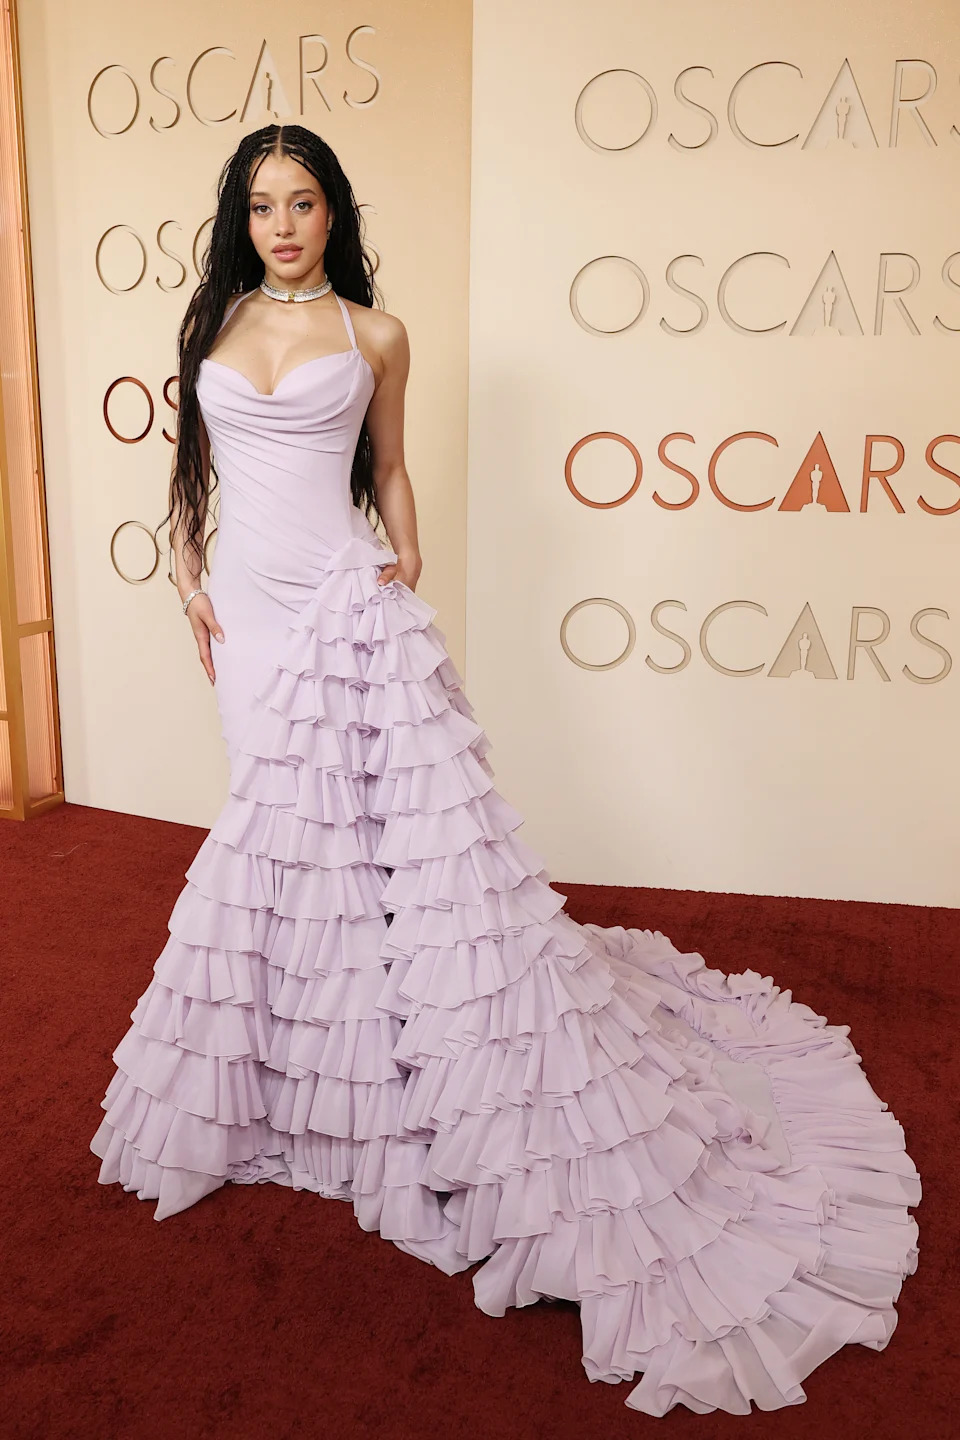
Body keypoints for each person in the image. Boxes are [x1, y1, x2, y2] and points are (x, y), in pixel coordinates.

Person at [91, 123, 921, 1417]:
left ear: (334, 210)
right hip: (245, 619)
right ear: (240, 219)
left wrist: (403, 577)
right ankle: (298, 1074)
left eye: (304, 202)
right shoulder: (214, 323)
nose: (284, 224)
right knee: (278, 838)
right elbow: (195, 466)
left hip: (336, 606)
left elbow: (394, 470)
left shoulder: (376, 335)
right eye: (262, 206)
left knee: (366, 842)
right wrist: (188, 569)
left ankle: (389, 1086)